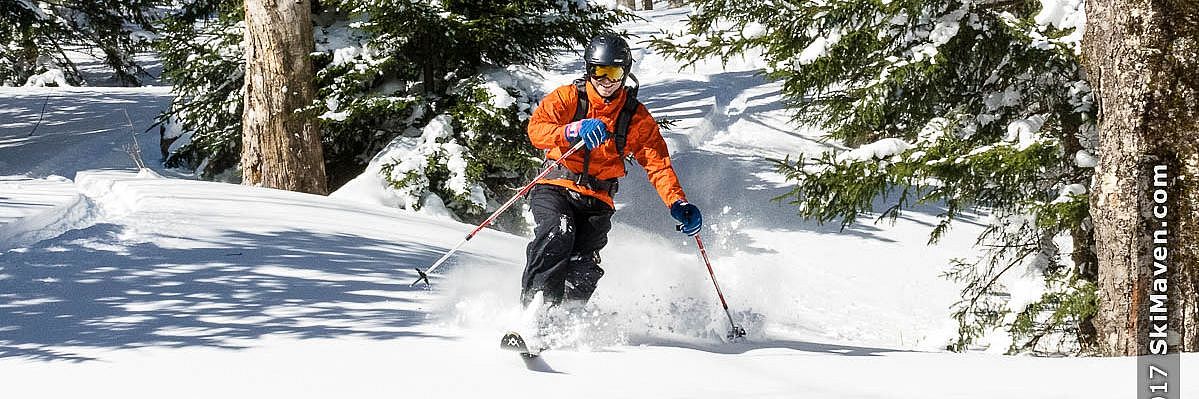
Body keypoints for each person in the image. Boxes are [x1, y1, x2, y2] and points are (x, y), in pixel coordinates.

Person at [521, 34, 702, 312]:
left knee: (584, 265)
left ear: (625, 73)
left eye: (614, 73)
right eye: (599, 72)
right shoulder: (569, 98)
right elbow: (536, 130)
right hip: (556, 184)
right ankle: (534, 310)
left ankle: (566, 318)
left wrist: (677, 202)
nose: (606, 81)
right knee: (557, 231)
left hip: (597, 199)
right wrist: (570, 131)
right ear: (589, 70)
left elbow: (658, 163)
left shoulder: (635, 117)